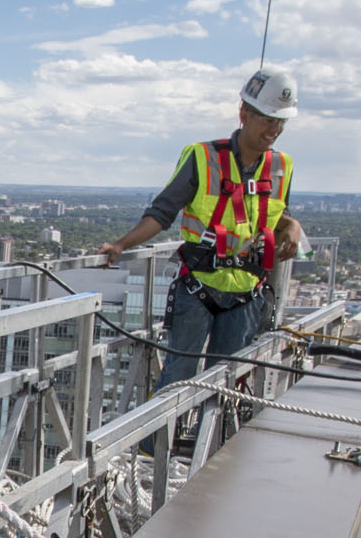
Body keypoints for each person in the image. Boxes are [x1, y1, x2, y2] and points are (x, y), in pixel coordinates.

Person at [101, 71, 307, 388]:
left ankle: (213, 439)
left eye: (280, 122)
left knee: (226, 383)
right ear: (244, 113)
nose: (274, 129)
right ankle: (158, 440)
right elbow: (162, 212)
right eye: (267, 119)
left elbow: (274, 214)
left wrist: (292, 226)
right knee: (177, 380)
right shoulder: (203, 158)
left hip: (247, 291)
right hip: (199, 286)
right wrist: (121, 244)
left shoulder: (281, 166)